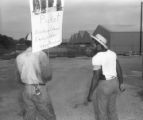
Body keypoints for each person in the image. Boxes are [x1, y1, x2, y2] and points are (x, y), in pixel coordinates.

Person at [16, 33, 56, 120]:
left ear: (26, 43)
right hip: (39, 89)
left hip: (26, 89)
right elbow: (48, 76)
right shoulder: (41, 55)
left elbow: (19, 77)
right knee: (48, 114)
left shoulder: (19, 57)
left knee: (29, 113)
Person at [86, 34, 125, 120]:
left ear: (99, 45)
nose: (92, 46)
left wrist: (90, 94)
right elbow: (118, 69)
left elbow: (96, 77)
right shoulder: (112, 53)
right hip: (115, 83)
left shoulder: (96, 57)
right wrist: (121, 83)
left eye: (94, 44)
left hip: (104, 86)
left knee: (102, 113)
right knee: (112, 110)